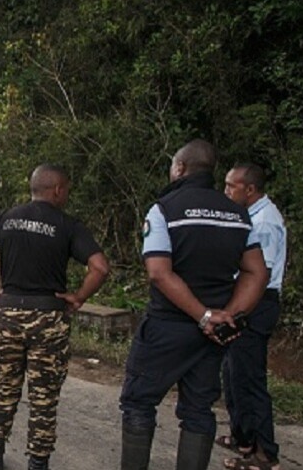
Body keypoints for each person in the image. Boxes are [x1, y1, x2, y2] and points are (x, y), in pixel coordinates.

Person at [118, 140, 268, 470]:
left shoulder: (165, 209)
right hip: (212, 336)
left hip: (168, 327)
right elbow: (257, 272)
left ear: (181, 168)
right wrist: (229, 316)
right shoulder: (239, 215)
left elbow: (159, 272)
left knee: (139, 402)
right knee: (199, 410)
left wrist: (203, 316)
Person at [0, 164, 109, 470]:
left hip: (10, 314)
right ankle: (38, 463)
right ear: (56, 190)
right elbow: (100, 268)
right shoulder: (68, 225)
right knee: (44, 395)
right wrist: (79, 297)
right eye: (66, 189)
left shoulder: (7, 218)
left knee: (4, 386)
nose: (67, 195)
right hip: (49, 318)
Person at [217, 163, 287, 470]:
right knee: (232, 375)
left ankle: (264, 453)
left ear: (249, 189)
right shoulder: (250, 217)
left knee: (249, 379)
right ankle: (242, 435)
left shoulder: (265, 222)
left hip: (256, 302)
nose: (226, 192)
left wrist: (238, 311)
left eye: (231, 186)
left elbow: (261, 274)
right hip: (245, 298)